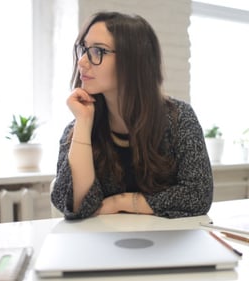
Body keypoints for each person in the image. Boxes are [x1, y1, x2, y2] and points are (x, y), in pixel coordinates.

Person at [51, 11, 213, 220]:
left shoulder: (178, 118)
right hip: (103, 244)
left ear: (133, 60)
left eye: (97, 51)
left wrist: (121, 202)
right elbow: (77, 207)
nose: (82, 61)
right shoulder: (79, 125)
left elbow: (198, 196)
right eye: (83, 49)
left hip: (167, 243)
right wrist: (83, 122)